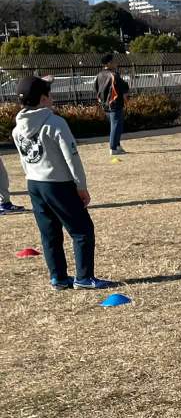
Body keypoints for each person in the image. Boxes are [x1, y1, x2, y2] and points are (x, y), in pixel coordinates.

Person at [10, 76, 116, 290]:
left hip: (34, 183)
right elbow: (71, 156)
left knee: (49, 233)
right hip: (58, 183)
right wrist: (80, 185)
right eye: (48, 93)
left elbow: (24, 159)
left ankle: (57, 277)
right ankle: (84, 277)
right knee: (82, 230)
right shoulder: (55, 123)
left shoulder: (17, 128)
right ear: (43, 99)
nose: (52, 96)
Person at [94, 53, 129, 156]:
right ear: (109, 63)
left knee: (116, 125)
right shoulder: (114, 75)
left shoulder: (99, 75)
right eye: (114, 61)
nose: (116, 63)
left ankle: (117, 146)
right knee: (116, 126)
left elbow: (96, 89)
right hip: (115, 103)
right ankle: (113, 148)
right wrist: (126, 98)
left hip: (105, 104)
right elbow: (124, 88)